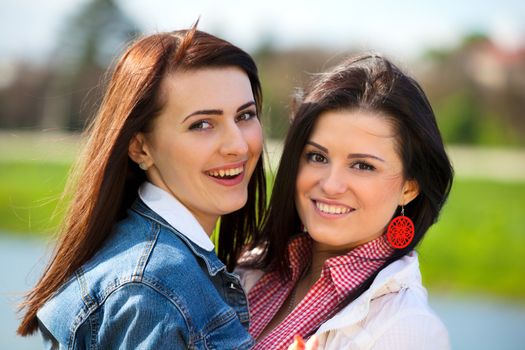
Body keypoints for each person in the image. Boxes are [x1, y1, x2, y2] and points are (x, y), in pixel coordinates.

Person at [17, 25, 267, 349]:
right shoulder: (151, 287)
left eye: (245, 115)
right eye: (202, 124)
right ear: (140, 148)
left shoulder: (160, 261)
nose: (238, 145)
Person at [238, 54, 454, 349]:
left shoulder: (407, 328)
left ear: (409, 187)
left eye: (363, 165)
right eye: (317, 157)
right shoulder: (254, 267)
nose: (330, 184)